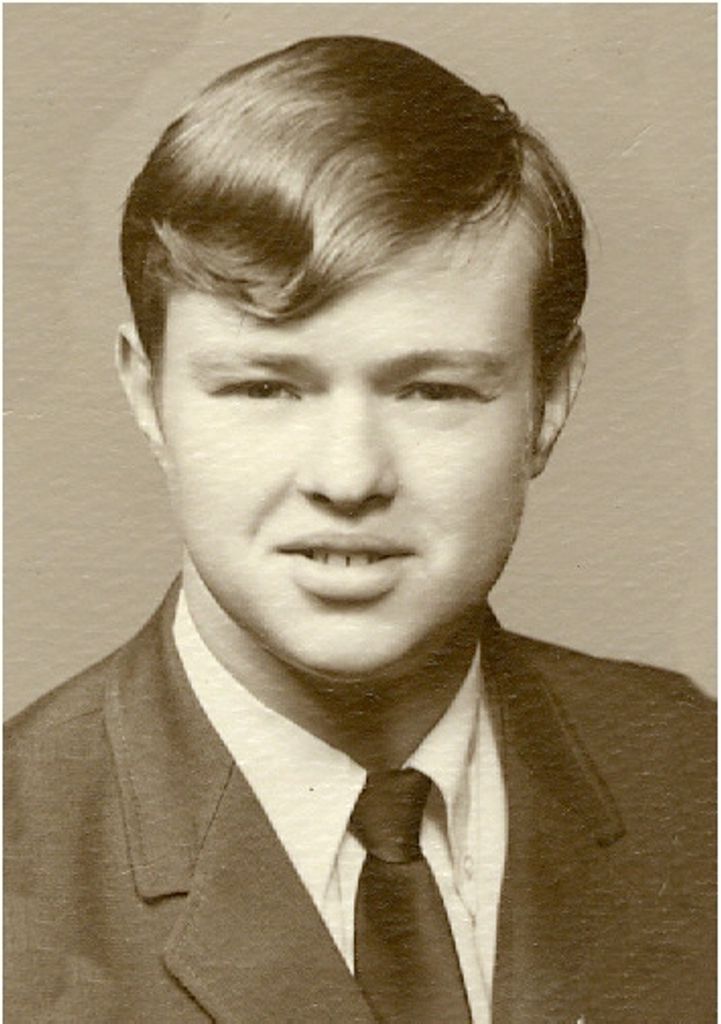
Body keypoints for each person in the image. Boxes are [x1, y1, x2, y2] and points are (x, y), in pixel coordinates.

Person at [4, 35, 714, 1024]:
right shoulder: (18, 866)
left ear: (548, 402)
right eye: (263, 387)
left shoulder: (693, 770)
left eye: (432, 390)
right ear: (148, 396)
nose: (347, 479)